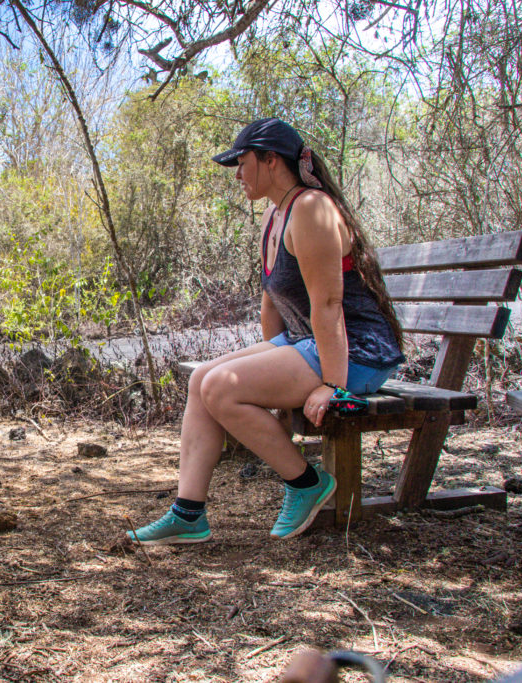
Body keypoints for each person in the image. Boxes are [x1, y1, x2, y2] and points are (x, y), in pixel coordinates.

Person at [129, 118, 405, 543]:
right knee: (203, 379)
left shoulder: (312, 208)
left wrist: (332, 384)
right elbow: (272, 301)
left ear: (271, 160)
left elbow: (329, 304)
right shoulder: (275, 215)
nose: (238, 175)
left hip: (357, 352)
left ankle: (306, 484)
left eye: (242, 163)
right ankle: (188, 514)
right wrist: (269, 373)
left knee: (222, 387)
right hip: (306, 342)